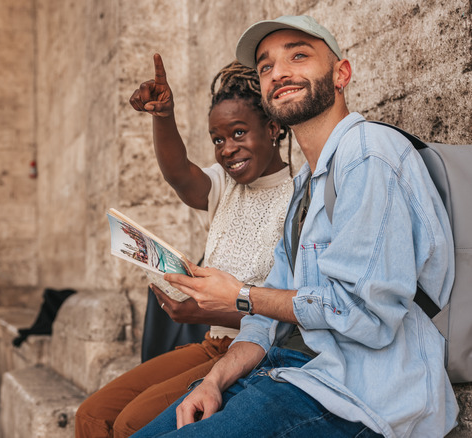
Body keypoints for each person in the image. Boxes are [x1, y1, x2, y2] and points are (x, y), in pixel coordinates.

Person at [132, 15, 456, 438]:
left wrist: (241, 294)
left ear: (342, 73)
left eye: (298, 56)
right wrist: (213, 381)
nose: (278, 72)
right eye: (266, 66)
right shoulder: (306, 183)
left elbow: (365, 315)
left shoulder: (369, 154)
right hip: (291, 373)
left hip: (359, 396)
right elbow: (263, 322)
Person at [74, 57, 294, 437]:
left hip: (254, 353)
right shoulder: (226, 187)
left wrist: (201, 311)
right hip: (212, 344)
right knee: (92, 416)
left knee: (131, 423)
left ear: (273, 128)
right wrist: (164, 115)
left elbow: (286, 316)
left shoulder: (298, 197)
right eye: (218, 139)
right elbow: (179, 174)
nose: (227, 149)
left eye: (239, 133)